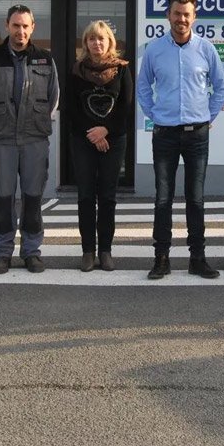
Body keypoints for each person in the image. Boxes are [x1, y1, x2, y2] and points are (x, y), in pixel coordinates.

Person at [137, 0, 224, 280]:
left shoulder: (206, 49)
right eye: (177, 13)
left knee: (196, 199)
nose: (181, 19)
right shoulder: (153, 50)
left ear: (194, 17)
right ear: (168, 15)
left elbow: (221, 87)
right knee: (163, 198)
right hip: (164, 134)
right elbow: (142, 87)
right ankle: (161, 258)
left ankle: (197, 258)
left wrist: (207, 116)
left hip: (197, 136)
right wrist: (155, 114)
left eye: (187, 14)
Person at [0, 4, 59, 274]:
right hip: (2, 140)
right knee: (3, 198)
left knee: (33, 197)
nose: (20, 30)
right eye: (16, 25)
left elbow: (53, 97)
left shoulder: (45, 59)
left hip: (35, 138)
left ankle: (31, 252)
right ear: (7, 26)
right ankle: (2, 253)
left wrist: (34, 121)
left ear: (33, 27)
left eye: (25, 26)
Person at [67, 20, 133, 272]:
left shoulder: (122, 70)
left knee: (107, 197)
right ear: (86, 43)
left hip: (114, 141)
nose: (97, 43)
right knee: (85, 196)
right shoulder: (76, 70)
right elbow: (72, 108)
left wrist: (105, 130)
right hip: (82, 140)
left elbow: (126, 107)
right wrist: (93, 133)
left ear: (110, 43)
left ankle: (105, 250)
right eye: (92, 39)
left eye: (101, 38)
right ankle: (87, 251)